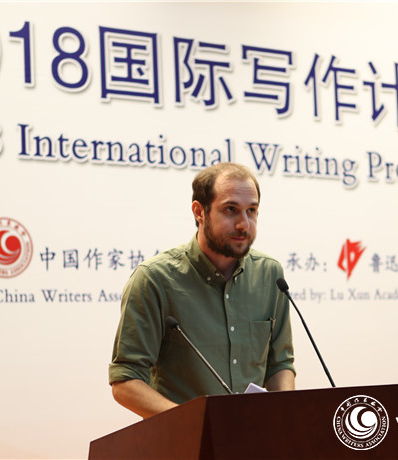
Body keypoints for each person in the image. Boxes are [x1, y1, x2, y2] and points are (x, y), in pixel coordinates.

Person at [109, 162, 295, 418]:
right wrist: (194, 424)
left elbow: (280, 364)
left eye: (251, 211)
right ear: (199, 212)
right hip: (184, 437)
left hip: (254, 435)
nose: (244, 224)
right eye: (230, 210)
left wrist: (284, 414)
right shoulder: (155, 279)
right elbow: (125, 381)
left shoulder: (270, 274)